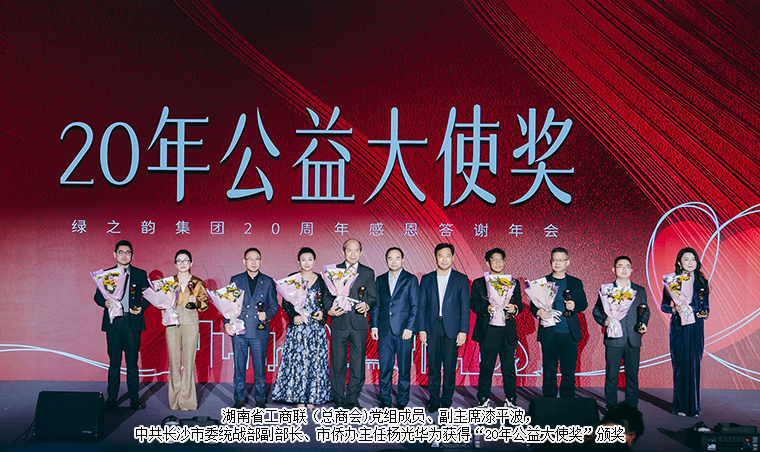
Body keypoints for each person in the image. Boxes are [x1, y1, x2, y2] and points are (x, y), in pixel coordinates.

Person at [271, 247, 331, 408]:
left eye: (310, 259)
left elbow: (326, 301)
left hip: (315, 328)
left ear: (315, 261)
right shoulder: (293, 278)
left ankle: (313, 396)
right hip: (298, 327)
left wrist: (323, 313)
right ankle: (299, 397)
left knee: (315, 361)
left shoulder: (322, 279)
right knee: (298, 361)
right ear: (298, 262)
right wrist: (293, 315)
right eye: (303, 260)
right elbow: (286, 302)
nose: (307, 263)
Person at [94, 240, 150, 409]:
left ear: (132, 255)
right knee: (114, 362)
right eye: (121, 252)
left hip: (132, 322)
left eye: (127, 252)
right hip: (114, 323)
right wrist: (105, 303)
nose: (124, 255)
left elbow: (149, 295)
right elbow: (97, 297)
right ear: (115, 254)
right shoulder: (106, 274)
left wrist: (141, 308)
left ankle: (134, 399)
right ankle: (112, 398)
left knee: (132, 362)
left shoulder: (140, 274)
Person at [325, 238, 377, 408]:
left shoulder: (368, 273)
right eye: (349, 250)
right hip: (339, 321)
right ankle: (338, 399)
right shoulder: (334, 271)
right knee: (337, 363)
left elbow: (373, 297)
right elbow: (327, 296)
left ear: (361, 252)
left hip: (358, 323)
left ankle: (353, 398)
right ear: (343, 252)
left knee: (357, 363)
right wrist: (329, 310)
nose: (353, 254)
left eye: (356, 250)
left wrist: (367, 304)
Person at [418, 243, 470, 412]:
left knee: (449, 368)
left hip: (452, 329)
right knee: (433, 367)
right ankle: (433, 400)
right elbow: (421, 306)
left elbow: (465, 307)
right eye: (441, 255)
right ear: (435, 257)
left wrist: (463, 331)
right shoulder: (427, 279)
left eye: (448, 255)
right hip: (432, 327)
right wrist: (421, 329)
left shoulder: (461, 279)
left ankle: (447, 400)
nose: (444, 259)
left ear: (453, 257)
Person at [592, 256, 649, 411]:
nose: (624, 269)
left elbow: (645, 311)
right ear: (614, 269)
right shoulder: (606, 290)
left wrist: (643, 323)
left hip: (633, 338)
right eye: (620, 266)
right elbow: (596, 310)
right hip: (613, 339)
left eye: (627, 266)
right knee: (612, 375)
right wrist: (604, 321)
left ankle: (632, 407)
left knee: (632, 376)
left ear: (631, 269)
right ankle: (611, 407)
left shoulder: (640, 290)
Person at [225, 248, 279, 409]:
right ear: (244, 261)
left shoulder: (268, 281)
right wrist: (227, 322)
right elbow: (228, 304)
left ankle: (260, 398)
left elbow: (274, 305)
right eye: (250, 259)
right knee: (239, 367)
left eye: (257, 259)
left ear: (261, 261)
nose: (253, 262)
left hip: (259, 330)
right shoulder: (236, 280)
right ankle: (239, 398)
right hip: (239, 330)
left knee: (259, 368)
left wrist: (267, 314)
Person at [531, 247, 587, 398]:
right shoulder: (543, 282)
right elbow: (533, 305)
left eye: (561, 260)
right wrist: (538, 312)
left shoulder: (575, 283)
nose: (557, 263)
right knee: (549, 370)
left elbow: (583, 303)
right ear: (550, 262)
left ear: (567, 262)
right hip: (550, 332)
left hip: (570, 332)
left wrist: (575, 305)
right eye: (554, 260)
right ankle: (549, 401)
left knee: (568, 371)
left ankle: (567, 400)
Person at [470, 247, 522, 408]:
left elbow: (519, 304)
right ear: (488, 263)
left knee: (509, 367)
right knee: (486, 366)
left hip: (507, 330)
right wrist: (486, 308)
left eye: (501, 260)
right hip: (488, 330)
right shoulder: (479, 283)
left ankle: (510, 399)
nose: (498, 263)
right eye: (494, 260)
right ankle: (483, 399)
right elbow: (474, 305)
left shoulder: (513, 282)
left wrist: (514, 308)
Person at [660, 247, 709, 417]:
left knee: (694, 365)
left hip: (695, 327)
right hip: (678, 328)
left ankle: (694, 408)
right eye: (686, 259)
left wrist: (702, 311)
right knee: (680, 366)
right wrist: (674, 309)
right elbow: (664, 305)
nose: (690, 262)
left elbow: (706, 306)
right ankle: (680, 407)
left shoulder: (702, 282)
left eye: (693, 259)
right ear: (679, 263)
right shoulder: (671, 281)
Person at [370, 247, 419, 409]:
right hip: (384, 331)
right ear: (386, 260)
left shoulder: (410, 279)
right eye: (390, 258)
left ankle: (402, 400)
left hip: (404, 331)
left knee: (404, 368)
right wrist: (374, 326)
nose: (394, 261)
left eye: (397, 258)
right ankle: (385, 400)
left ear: (403, 260)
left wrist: (409, 328)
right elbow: (376, 305)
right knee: (385, 368)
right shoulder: (380, 279)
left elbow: (415, 306)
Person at [166, 249, 208, 411]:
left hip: (190, 321)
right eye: (179, 261)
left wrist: (196, 302)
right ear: (175, 264)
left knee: (189, 361)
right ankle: (174, 400)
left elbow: (204, 304)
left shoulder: (197, 282)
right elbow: (162, 302)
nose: (182, 263)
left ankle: (188, 400)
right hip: (172, 322)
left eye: (185, 260)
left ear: (191, 263)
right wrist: (164, 314)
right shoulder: (169, 282)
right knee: (174, 361)